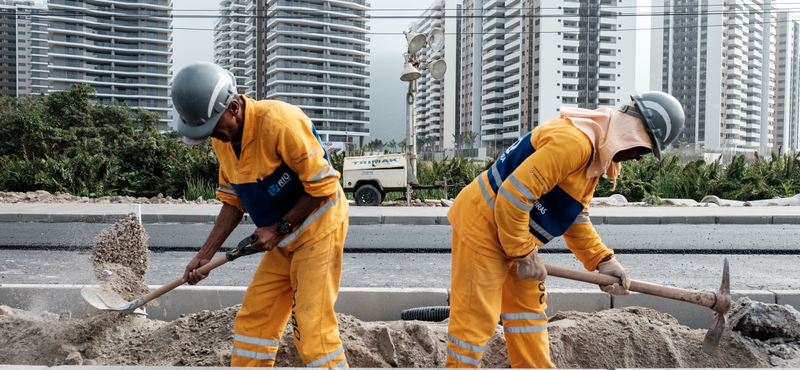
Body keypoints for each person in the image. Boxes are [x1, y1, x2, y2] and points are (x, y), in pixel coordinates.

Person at [445, 92, 685, 368]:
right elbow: (513, 195)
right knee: (474, 325)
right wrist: (523, 253)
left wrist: (603, 261)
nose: (639, 158)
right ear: (634, 132)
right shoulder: (575, 144)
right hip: (483, 227)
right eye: (644, 149)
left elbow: (574, 215)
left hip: (515, 233)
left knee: (529, 318)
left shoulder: (593, 153)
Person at [172, 62, 349, 368]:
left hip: (319, 226)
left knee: (312, 331)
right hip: (282, 238)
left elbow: (324, 186)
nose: (212, 135)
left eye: (213, 126)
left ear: (234, 107)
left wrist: (278, 228)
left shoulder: (280, 123)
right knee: (254, 323)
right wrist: (205, 255)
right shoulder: (223, 141)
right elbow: (232, 203)